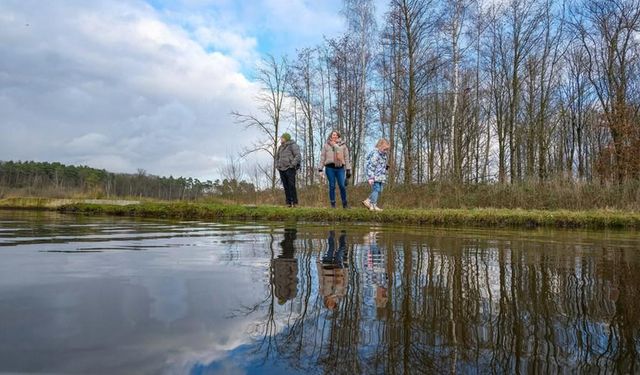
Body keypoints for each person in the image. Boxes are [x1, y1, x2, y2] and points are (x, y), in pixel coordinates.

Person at [318, 130, 351, 208]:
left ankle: (345, 204)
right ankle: (333, 204)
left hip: (340, 168)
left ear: (338, 136)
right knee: (332, 186)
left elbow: (346, 158)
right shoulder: (326, 145)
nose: (334, 136)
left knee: (342, 185)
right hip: (330, 168)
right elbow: (323, 157)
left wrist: (348, 169)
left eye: (336, 135)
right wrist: (320, 169)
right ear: (331, 136)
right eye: (333, 135)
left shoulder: (343, 146)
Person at [318, 230, 349, 310]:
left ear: (326, 302)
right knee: (341, 250)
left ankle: (331, 234)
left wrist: (318, 265)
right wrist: (346, 268)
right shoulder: (341, 293)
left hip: (326, 267)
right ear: (335, 303)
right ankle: (343, 236)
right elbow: (345, 280)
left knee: (331, 248)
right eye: (333, 304)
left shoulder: (323, 292)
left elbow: (321, 279)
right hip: (338, 269)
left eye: (329, 303)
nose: (331, 302)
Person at [271, 228, 298, 305]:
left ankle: (290, 230)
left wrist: (274, 264)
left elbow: (275, 278)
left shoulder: (281, 292)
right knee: (288, 245)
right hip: (285, 264)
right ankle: (290, 230)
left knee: (288, 245)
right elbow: (293, 278)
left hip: (284, 264)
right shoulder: (290, 293)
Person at [362, 138, 390, 211]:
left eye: (387, 149)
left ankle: (368, 200)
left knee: (380, 190)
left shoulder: (384, 155)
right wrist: (371, 177)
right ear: (380, 146)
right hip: (374, 175)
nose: (386, 151)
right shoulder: (375, 154)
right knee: (376, 189)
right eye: (384, 149)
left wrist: (385, 167)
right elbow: (371, 166)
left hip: (381, 175)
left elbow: (380, 164)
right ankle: (373, 205)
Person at [275, 133, 301, 207]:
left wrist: (292, 164)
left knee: (291, 185)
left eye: (282, 137)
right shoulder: (280, 147)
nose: (281, 139)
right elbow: (277, 157)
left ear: (286, 138)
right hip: (281, 169)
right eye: (281, 137)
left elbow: (298, 155)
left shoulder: (293, 145)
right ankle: (288, 203)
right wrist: (277, 165)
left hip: (290, 168)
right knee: (285, 186)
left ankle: (295, 202)